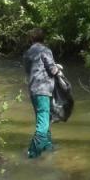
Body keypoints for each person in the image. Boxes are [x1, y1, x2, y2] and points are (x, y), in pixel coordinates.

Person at [22, 28, 61, 159]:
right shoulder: (45, 50)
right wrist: (58, 68)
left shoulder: (27, 53)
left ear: (31, 39)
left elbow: (28, 70)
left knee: (44, 118)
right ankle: (32, 153)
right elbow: (52, 70)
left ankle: (47, 147)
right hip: (44, 89)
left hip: (33, 89)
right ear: (43, 38)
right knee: (43, 122)